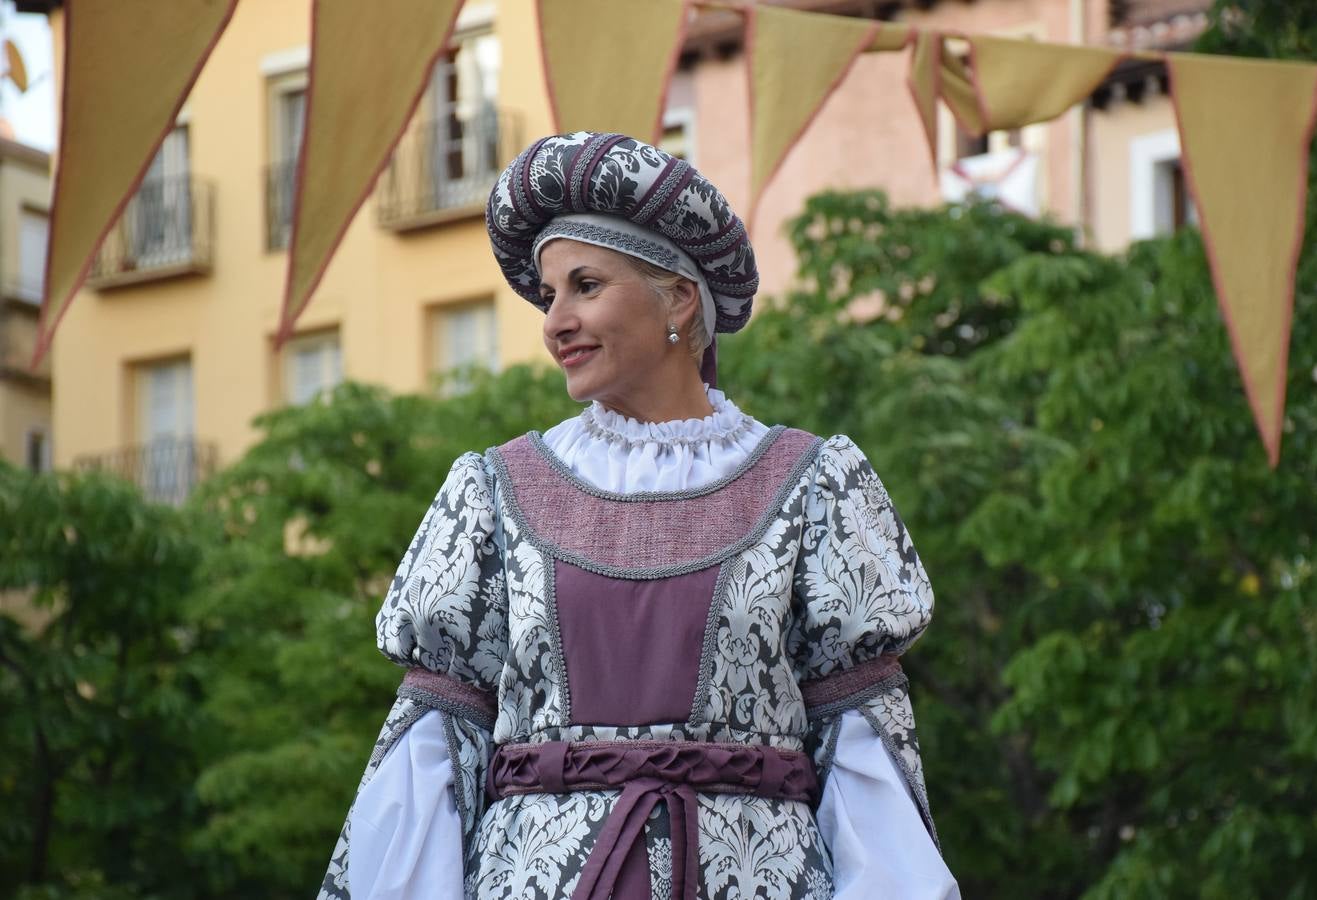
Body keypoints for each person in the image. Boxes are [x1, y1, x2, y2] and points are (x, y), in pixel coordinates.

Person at [319, 132, 959, 900]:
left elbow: (866, 769)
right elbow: (431, 762)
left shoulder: (815, 486)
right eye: (549, 295)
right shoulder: (490, 493)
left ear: (679, 299)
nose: (555, 321)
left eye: (585, 285)